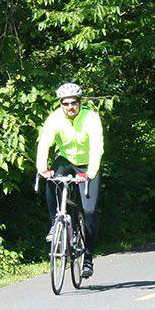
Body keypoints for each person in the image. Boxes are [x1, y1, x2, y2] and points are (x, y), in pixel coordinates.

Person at [36, 82, 104, 278]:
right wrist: (42, 169)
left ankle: (88, 258)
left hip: (87, 164)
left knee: (90, 212)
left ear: (80, 102)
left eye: (74, 102)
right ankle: (55, 223)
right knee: (52, 181)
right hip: (65, 160)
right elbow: (44, 144)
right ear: (60, 104)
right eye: (65, 103)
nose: (70, 107)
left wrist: (90, 173)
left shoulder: (91, 118)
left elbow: (97, 147)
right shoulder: (54, 118)